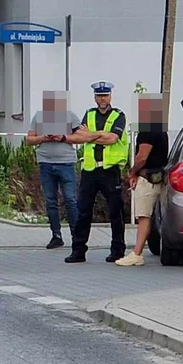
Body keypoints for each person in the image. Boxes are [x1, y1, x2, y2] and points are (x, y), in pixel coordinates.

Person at [65, 82, 129, 264]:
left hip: (110, 169)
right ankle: (78, 251)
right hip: (90, 169)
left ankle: (117, 250)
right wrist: (100, 135)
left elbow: (112, 138)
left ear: (110, 97)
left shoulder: (118, 115)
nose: (102, 99)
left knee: (115, 212)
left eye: (105, 95)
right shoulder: (89, 114)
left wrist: (91, 134)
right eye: (99, 96)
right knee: (83, 211)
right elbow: (78, 137)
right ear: (95, 97)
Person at [25, 90, 82, 250]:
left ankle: (76, 235)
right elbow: (29, 139)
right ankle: (56, 235)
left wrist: (63, 137)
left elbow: (81, 137)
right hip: (46, 162)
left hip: (66, 162)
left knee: (70, 199)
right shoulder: (39, 116)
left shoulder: (70, 116)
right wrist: (43, 137)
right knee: (50, 201)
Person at [117, 94, 169, 267]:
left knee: (143, 216)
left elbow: (141, 157)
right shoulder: (161, 130)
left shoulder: (147, 130)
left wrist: (132, 172)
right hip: (159, 176)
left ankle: (137, 253)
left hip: (147, 179)